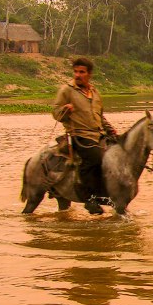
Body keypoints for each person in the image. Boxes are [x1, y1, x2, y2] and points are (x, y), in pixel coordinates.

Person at [52, 57, 117, 214]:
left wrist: (111, 131)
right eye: (75, 72)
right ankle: (89, 199)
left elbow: (100, 116)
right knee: (97, 158)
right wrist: (65, 109)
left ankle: (111, 194)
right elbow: (55, 112)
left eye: (82, 72)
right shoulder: (67, 90)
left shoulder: (95, 93)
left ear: (89, 74)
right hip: (78, 135)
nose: (77, 75)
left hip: (98, 135)